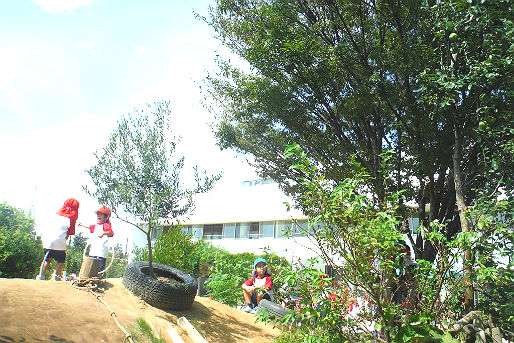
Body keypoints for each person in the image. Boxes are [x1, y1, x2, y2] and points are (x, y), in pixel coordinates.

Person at [36, 198, 79, 281]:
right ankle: (55, 276)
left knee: (47, 259)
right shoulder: (71, 219)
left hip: (46, 239)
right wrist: (63, 242)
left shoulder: (56, 215)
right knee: (61, 259)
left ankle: (40, 275)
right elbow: (68, 235)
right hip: (58, 240)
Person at [83, 206, 114, 275]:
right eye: (98, 214)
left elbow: (111, 233)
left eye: (101, 214)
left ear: (106, 217)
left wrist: (103, 233)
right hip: (94, 249)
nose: (98, 216)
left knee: (99, 266)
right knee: (91, 265)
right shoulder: (96, 225)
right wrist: (82, 225)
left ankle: (99, 276)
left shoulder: (106, 225)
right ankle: (91, 276)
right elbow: (89, 227)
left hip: (101, 250)